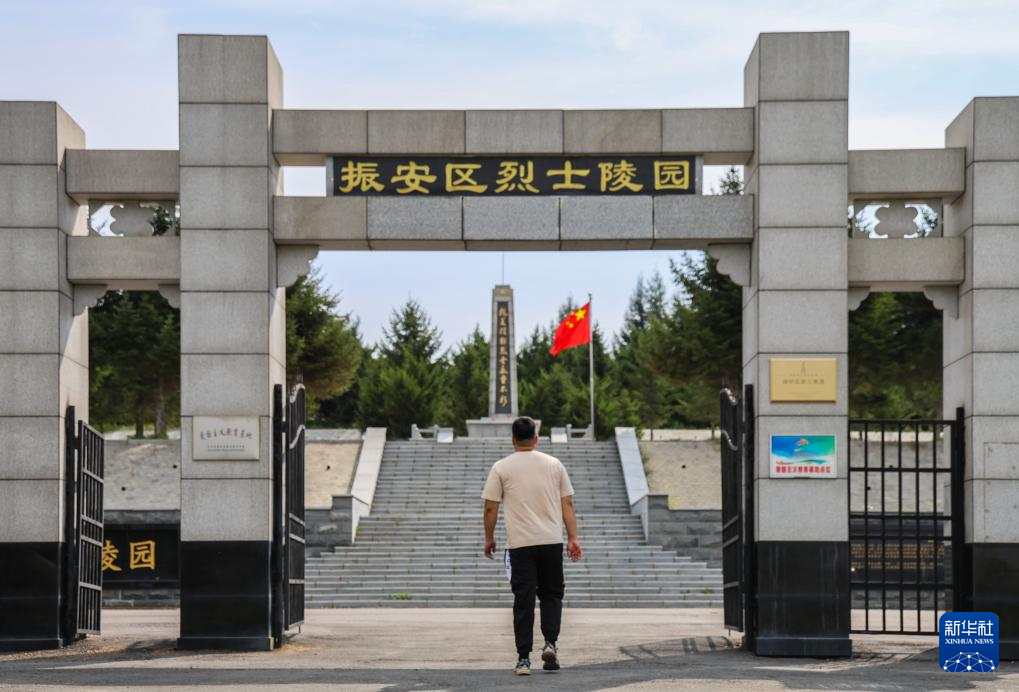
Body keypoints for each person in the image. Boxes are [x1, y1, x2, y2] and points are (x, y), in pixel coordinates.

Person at [482, 416, 583, 676]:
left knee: (524, 599)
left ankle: (523, 659)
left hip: (520, 545)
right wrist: (573, 537)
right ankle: (550, 644)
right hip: (551, 542)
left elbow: (491, 507)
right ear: (536, 438)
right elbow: (567, 504)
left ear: (513, 440)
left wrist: (489, 537)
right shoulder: (554, 465)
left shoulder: (501, 467)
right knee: (552, 594)